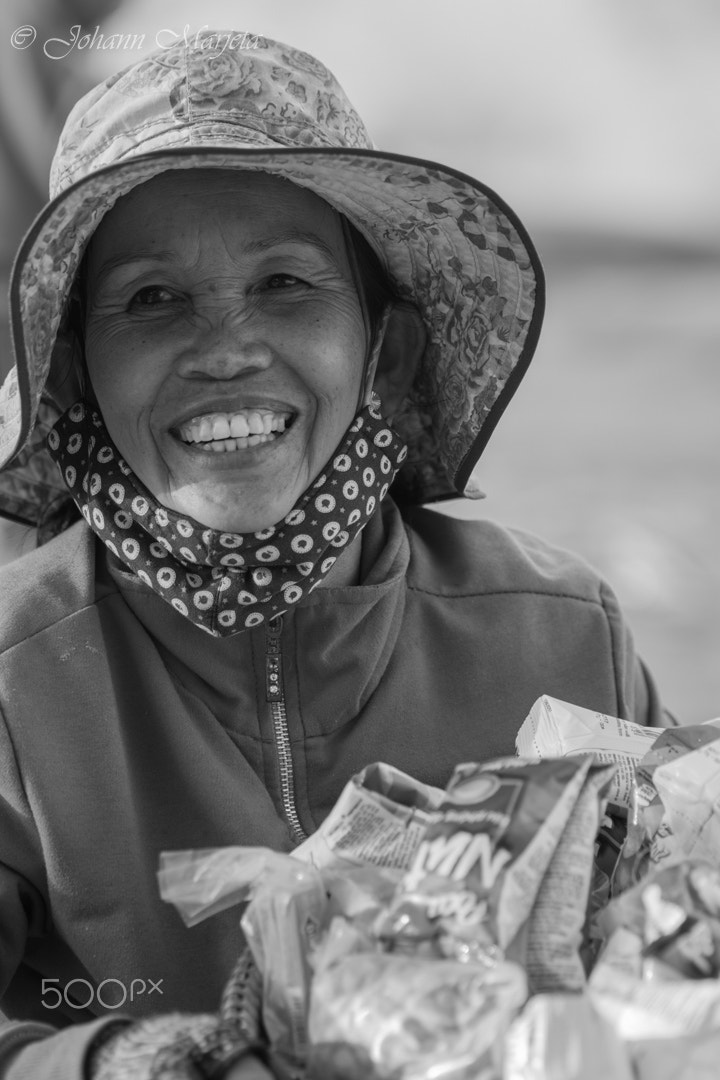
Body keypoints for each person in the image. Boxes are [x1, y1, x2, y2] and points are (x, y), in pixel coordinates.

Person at [0, 31, 669, 1080]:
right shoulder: (16, 678)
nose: (225, 349)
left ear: (387, 350)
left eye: (284, 283)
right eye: (151, 299)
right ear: (75, 379)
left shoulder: (560, 629)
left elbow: (674, 955)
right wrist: (130, 1058)